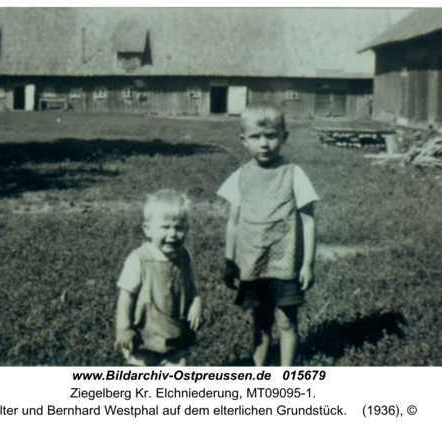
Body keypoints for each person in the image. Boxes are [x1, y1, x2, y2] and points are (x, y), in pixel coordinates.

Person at [217, 101, 318, 366]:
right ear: (243, 141)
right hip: (253, 264)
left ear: (283, 137)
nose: (264, 143)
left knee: (286, 321)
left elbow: (308, 222)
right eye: (255, 137)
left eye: (271, 136)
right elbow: (233, 224)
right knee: (260, 323)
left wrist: (307, 264)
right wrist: (230, 262)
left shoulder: (294, 175)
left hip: (284, 264)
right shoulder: (240, 177)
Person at [115, 189, 202, 366]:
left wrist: (197, 302)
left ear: (187, 229)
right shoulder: (139, 259)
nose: (173, 234)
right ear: (148, 230)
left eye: (179, 228)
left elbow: (191, 284)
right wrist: (124, 329)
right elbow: (126, 297)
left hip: (175, 335)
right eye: (165, 227)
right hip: (143, 336)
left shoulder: (185, 256)